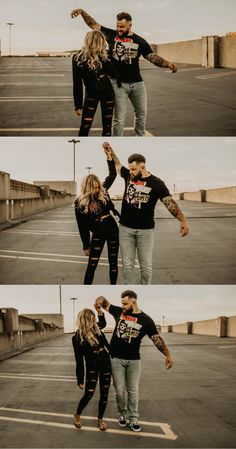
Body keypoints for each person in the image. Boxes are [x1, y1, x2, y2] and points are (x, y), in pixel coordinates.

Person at [71, 9, 177, 136]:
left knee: (141, 114)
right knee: (119, 118)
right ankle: (117, 141)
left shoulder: (139, 41)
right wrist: (82, 12)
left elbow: (152, 57)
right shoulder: (110, 34)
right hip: (118, 84)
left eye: (122, 26)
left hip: (137, 83)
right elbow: (93, 25)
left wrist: (167, 64)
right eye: (117, 26)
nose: (119, 29)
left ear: (130, 25)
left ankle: (139, 137)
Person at [102, 142, 190, 284]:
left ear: (142, 167)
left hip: (146, 231)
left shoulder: (157, 183)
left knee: (146, 266)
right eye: (130, 168)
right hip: (125, 229)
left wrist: (183, 220)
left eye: (133, 169)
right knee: (128, 265)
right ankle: (130, 288)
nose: (130, 171)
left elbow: (169, 203)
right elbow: (117, 165)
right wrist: (110, 152)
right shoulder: (128, 176)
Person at [94, 290, 174, 432]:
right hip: (116, 358)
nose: (123, 306)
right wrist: (99, 301)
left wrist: (168, 355)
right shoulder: (119, 312)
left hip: (134, 361)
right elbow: (104, 302)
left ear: (134, 301)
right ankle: (122, 414)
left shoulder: (146, 320)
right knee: (119, 391)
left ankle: (134, 419)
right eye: (122, 303)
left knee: (133, 391)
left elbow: (157, 340)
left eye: (125, 303)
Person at [74, 148, 120, 284]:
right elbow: (81, 226)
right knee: (91, 266)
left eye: (98, 187)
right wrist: (85, 245)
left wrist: (109, 158)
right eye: (94, 187)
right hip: (98, 233)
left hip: (112, 228)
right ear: (87, 187)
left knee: (113, 264)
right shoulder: (80, 203)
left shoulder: (103, 192)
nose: (97, 190)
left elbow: (112, 175)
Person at [72, 30, 120, 136]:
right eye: (102, 42)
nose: (104, 44)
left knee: (107, 129)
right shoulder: (78, 57)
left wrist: (104, 59)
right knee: (85, 127)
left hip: (108, 93)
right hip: (91, 94)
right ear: (95, 42)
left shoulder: (106, 55)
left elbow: (114, 74)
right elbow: (77, 83)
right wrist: (78, 105)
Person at [72, 308, 111, 430]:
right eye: (92, 318)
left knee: (104, 394)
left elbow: (103, 323)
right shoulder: (77, 337)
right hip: (92, 366)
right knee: (89, 393)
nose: (94, 321)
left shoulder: (97, 329)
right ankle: (77, 414)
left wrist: (100, 312)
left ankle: (100, 419)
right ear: (86, 320)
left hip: (105, 363)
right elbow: (79, 360)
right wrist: (80, 379)